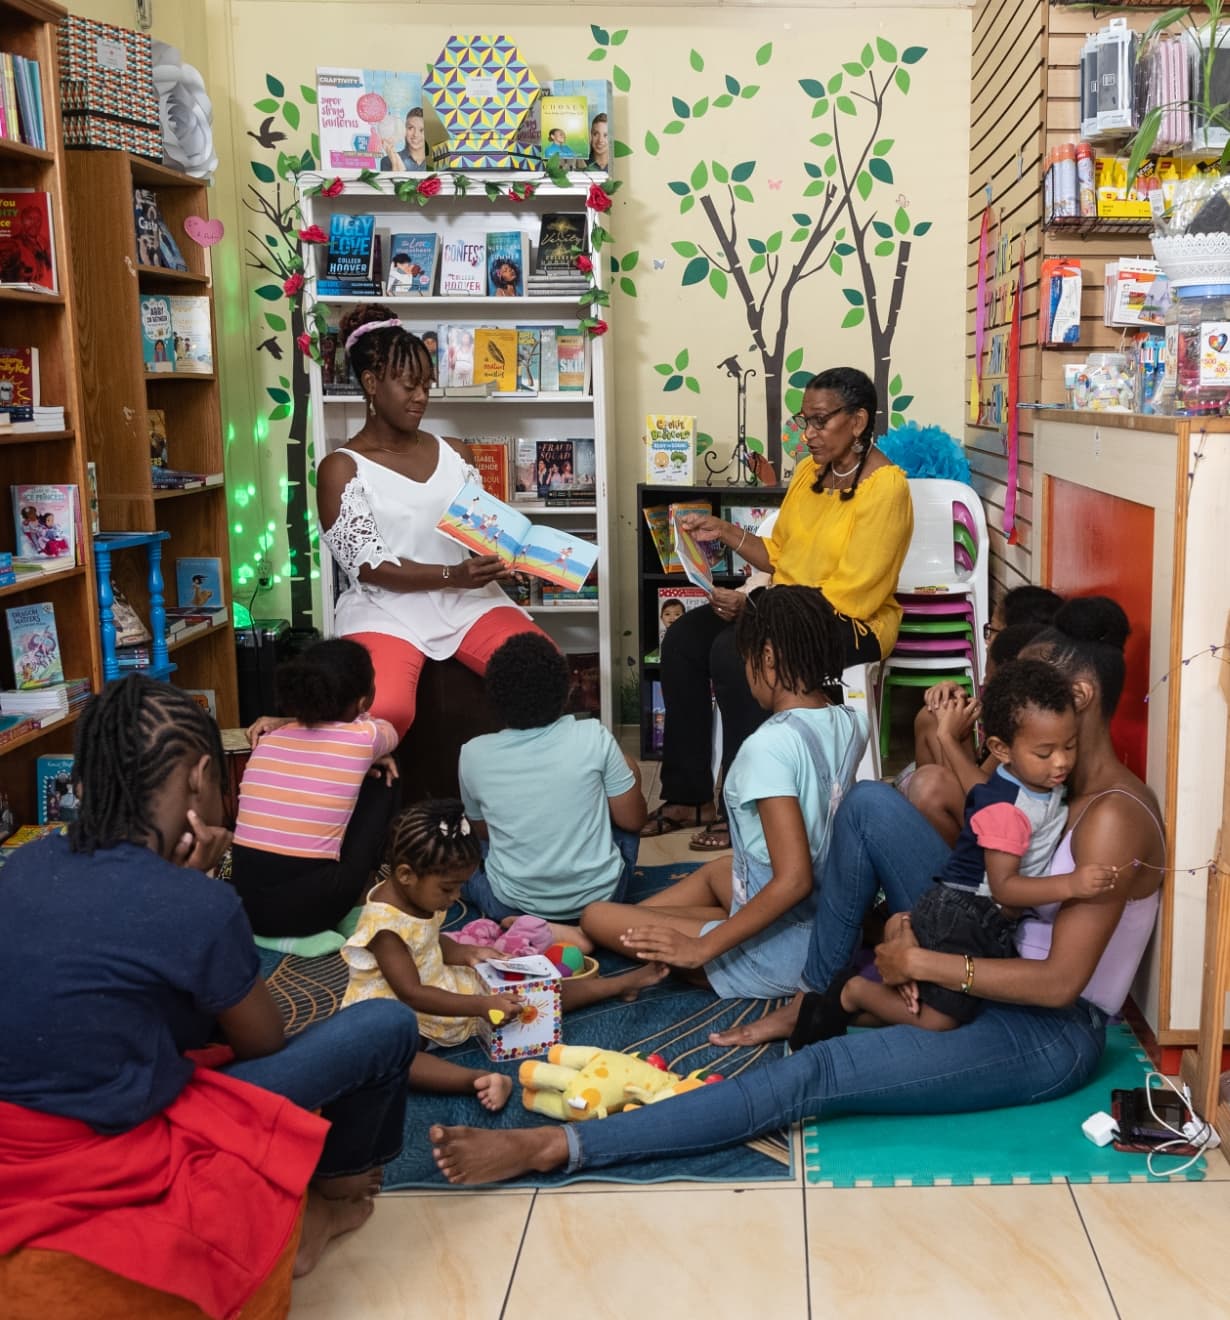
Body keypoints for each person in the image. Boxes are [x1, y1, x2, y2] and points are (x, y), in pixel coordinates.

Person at [425, 595, 1167, 1187]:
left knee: (815, 1073)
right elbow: (994, 868)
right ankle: (819, 992)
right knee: (870, 804)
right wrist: (916, 917)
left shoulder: (1110, 816)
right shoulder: (1053, 779)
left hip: (1042, 1030)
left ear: (1078, 695)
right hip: (989, 945)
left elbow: (1059, 985)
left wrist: (924, 961)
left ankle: (559, 1146)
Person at [0, 676, 420, 1291]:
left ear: (82, 779)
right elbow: (262, 1043)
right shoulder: (198, 904)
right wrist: (196, 891)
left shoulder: (22, 864)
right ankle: (329, 1198)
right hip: (127, 1130)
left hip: (21, 1126)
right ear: (201, 778)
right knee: (387, 1025)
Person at [644, 367, 912, 850]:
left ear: (857, 422)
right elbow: (780, 555)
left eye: (820, 421)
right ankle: (688, 795)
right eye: (804, 420)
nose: (808, 434)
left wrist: (755, 610)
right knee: (683, 640)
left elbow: (853, 594)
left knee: (734, 651)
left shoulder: (886, 488)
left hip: (852, 622)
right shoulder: (811, 473)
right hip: (784, 607)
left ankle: (741, 806)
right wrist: (726, 532)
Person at [581, 587, 868, 999]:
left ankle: (631, 931)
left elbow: (794, 880)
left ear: (767, 657)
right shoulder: (852, 721)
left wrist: (700, 948)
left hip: (781, 952)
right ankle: (647, 921)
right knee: (720, 869)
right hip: (828, 918)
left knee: (594, 917)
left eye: (744, 658)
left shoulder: (767, 747)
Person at [808, 659, 1117, 1039]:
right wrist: (1072, 884)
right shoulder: (1009, 811)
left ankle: (845, 1009)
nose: (1062, 761)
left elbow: (977, 790)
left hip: (973, 912)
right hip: (969, 915)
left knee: (950, 1004)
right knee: (941, 1019)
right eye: (1045, 753)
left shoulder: (1019, 779)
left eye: (1070, 746)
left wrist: (949, 741)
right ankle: (854, 992)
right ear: (1001, 749)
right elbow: (1005, 888)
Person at [316, 304, 546, 739]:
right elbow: (369, 567)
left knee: (542, 674)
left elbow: (479, 534)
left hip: (468, 601)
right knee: (386, 710)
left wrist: (511, 559)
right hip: (386, 608)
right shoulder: (342, 468)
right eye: (409, 386)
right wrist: (452, 575)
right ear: (371, 384)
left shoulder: (456, 452)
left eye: (426, 385)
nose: (421, 396)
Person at [341, 798, 666, 1058]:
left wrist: (467, 952)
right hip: (400, 1011)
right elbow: (412, 993)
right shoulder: (385, 929)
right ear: (405, 875)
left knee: (535, 995)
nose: (455, 898)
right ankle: (472, 1082)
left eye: (460, 887)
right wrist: (480, 1006)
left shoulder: (417, 896)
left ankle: (620, 984)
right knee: (394, 1055)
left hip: (439, 983)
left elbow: (427, 941)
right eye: (447, 889)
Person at [458, 633, 647, 942]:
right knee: (626, 770)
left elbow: (484, 833)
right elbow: (633, 821)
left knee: (466, 848)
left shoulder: (472, 754)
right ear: (567, 690)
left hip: (512, 903)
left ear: (493, 697)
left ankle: (520, 923)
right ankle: (575, 924)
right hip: (602, 900)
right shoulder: (594, 736)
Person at [229, 638, 401, 937]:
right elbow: (391, 733)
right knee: (387, 773)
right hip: (313, 910)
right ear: (363, 702)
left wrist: (288, 719)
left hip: (248, 906)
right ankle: (360, 900)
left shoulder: (268, 738)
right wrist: (373, 756)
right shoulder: (364, 738)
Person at [909, 585, 1064, 844]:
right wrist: (956, 701)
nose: (988, 641)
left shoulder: (1029, 711)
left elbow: (986, 789)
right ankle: (925, 832)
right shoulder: (1015, 688)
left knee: (931, 785)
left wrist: (950, 736)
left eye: (994, 632)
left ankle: (945, 847)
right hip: (989, 793)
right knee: (931, 716)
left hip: (1004, 819)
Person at [380, 107, 427, 172]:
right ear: (404, 130)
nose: (415, 134)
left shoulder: (437, 162)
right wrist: (395, 162)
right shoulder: (387, 161)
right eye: (410, 128)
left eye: (422, 130)